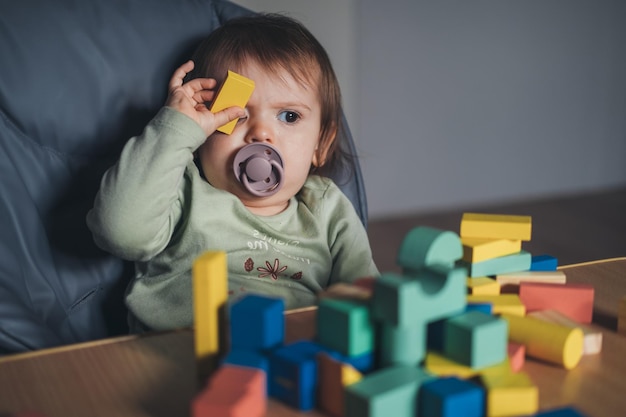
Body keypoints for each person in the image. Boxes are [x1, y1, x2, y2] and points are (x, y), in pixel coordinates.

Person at [87, 13, 379, 332]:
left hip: (291, 357)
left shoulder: (326, 209)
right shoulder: (179, 187)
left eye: (290, 116)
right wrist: (176, 130)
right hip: (182, 354)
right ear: (201, 130)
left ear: (320, 145)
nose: (261, 133)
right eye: (236, 114)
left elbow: (366, 297)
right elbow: (119, 232)